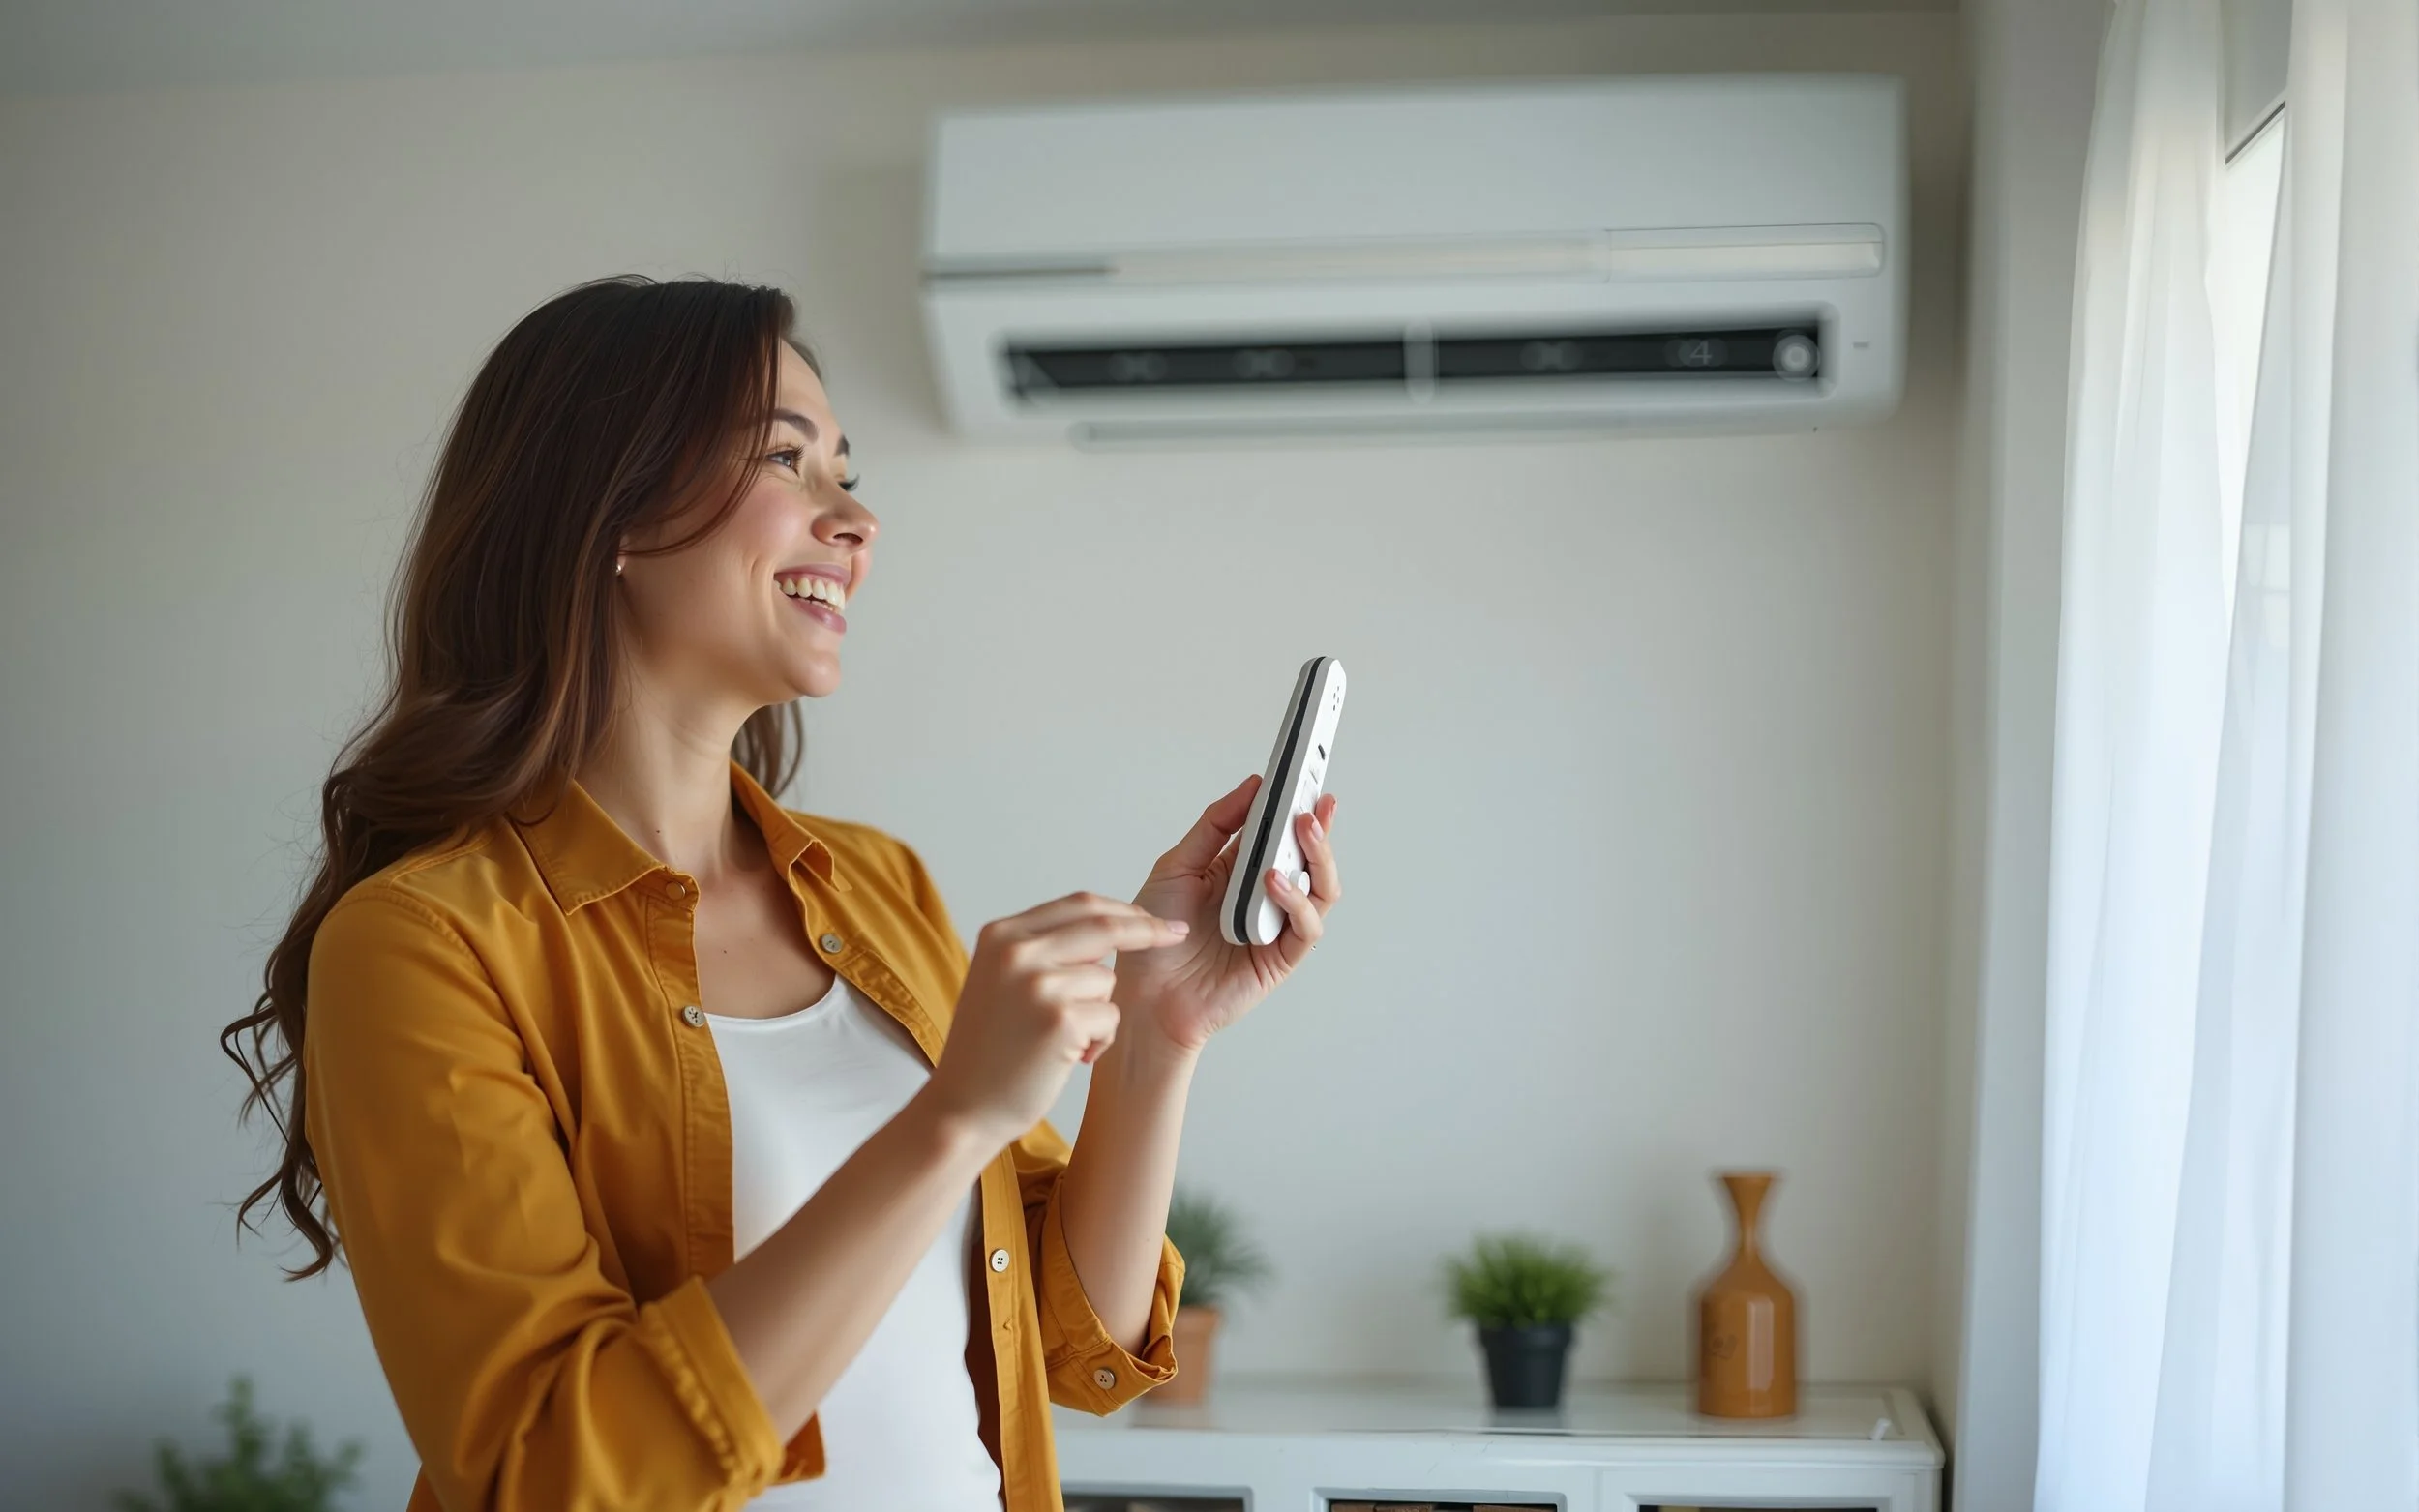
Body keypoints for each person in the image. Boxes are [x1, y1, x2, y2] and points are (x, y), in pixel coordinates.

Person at [219, 275, 1344, 1512]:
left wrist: (1156, 1038)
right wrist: (949, 1120)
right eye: (785, 462)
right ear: (614, 518)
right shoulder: (423, 944)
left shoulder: (875, 884)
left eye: (848, 470)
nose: (854, 517)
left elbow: (1080, 1345)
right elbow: (547, 1470)